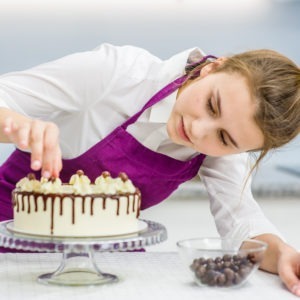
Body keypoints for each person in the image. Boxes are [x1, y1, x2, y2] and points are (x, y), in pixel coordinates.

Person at [0, 43, 300, 295]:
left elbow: (242, 222)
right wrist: (20, 127)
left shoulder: (224, 149)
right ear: (212, 67)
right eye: (211, 105)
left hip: (106, 268)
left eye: (224, 138)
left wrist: (283, 254)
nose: (198, 130)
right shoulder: (118, 73)